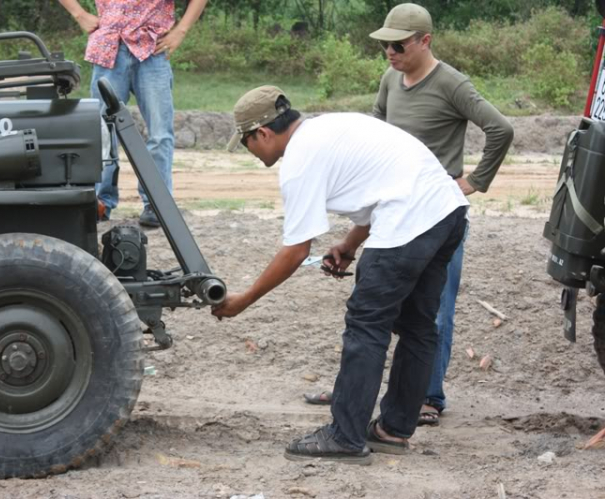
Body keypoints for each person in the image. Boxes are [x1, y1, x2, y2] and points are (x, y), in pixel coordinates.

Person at [213, 86, 468, 464]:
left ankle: (345, 436)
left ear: (263, 133)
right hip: (448, 212)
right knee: (418, 325)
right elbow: (379, 187)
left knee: (367, 323)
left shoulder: (299, 161)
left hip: (410, 219)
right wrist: (349, 247)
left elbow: (297, 250)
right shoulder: (329, 128)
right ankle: (392, 430)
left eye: (247, 143)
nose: (251, 153)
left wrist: (244, 300)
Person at [303, 3, 514, 426]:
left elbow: (501, 129)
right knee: (375, 307)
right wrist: (353, 234)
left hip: (436, 214)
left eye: (399, 45)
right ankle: (356, 390)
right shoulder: (390, 80)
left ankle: (429, 397)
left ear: (425, 41)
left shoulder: (452, 83)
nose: (390, 52)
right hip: (393, 210)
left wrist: (474, 181)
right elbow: (376, 137)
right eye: (385, 45)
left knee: (432, 310)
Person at [59, 0, 208, 227]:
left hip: (153, 49)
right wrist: (79, 14)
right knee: (102, 131)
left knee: (159, 132)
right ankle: (100, 202)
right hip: (109, 47)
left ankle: (156, 204)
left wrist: (181, 30)